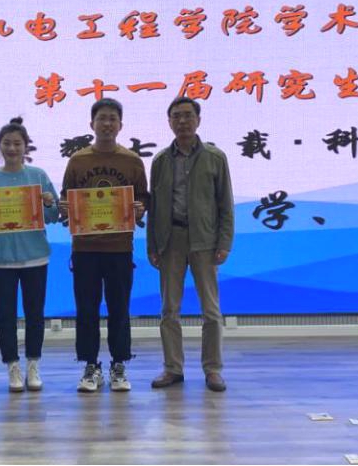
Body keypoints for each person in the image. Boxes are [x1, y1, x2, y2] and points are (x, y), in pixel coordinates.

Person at [60, 97, 148, 393]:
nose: (107, 123)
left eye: (113, 118)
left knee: (119, 309)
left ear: (121, 125)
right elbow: (67, 196)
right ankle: (90, 365)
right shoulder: (78, 160)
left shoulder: (132, 161)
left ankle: (119, 365)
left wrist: (140, 208)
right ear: (92, 124)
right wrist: (65, 207)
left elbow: (143, 197)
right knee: (86, 309)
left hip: (119, 248)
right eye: (102, 118)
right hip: (84, 249)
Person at [146, 97, 234, 392]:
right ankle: (173, 368)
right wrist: (152, 245)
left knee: (211, 310)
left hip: (205, 241)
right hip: (170, 240)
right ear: (169, 122)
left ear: (198, 120)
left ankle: (213, 369)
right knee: (169, 309)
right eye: (176, 116)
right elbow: (154, 207)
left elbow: (225, 204)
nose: (182, 121)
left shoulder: (215, 157)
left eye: (187, 115)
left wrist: (224, 242)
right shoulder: (160, 160)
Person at [0, 117, 60, 393]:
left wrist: (49, 203)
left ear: (25, 146)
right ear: (0, 146)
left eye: (17, 143)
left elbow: (54, 216)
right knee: (5, 316)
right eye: (6, 143)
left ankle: (33, 365)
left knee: (35, 314)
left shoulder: (38, 176)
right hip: (1, 259)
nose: (12, 148)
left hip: (35, 256)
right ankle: (12, 367)